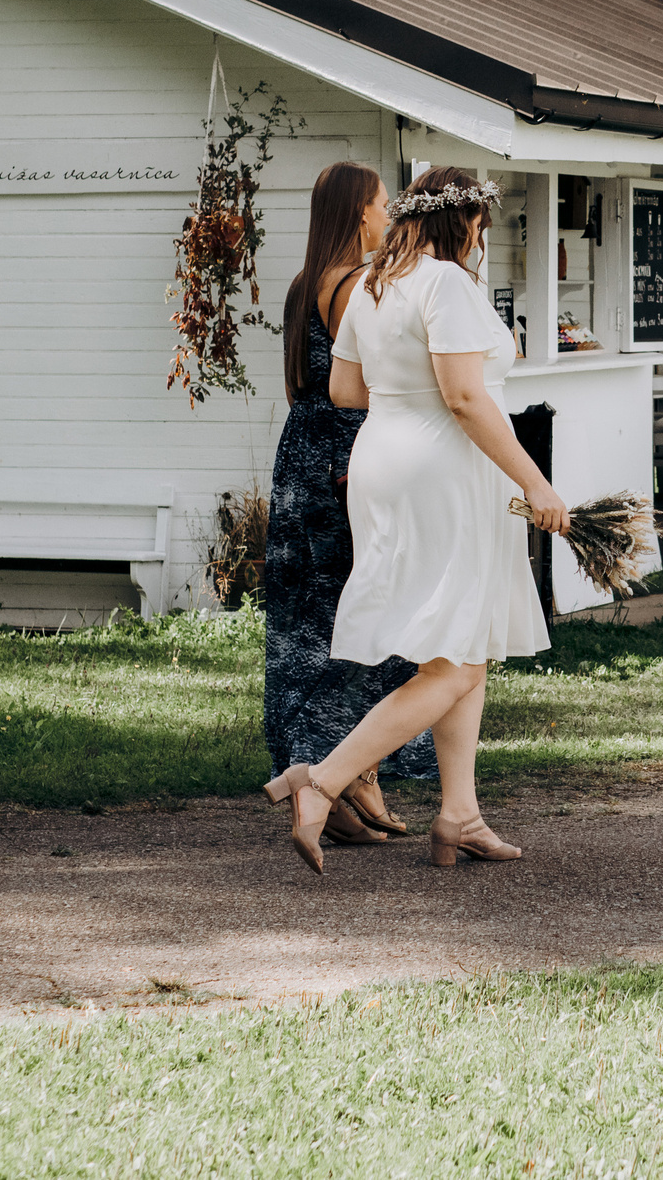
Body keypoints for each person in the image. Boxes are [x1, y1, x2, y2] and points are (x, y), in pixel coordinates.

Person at [264, 166, 569, 872]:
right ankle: (322, 782)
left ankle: (459, 812)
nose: (482, 240)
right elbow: (465, 397)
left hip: (383, 463)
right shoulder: (446, 283)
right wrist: (536, 481)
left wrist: (406, 405)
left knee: (464, 639)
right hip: (445, 472)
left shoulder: (375, 280)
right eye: (481, 226)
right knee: (458, 658)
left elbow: (345, 388)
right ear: (462, 222)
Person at [259, 160, 436, 849]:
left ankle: (322, 772)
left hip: (300, 459)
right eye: (382, 201)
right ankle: (353, 772)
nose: (389, 211)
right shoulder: (358, 285)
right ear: (359, 212)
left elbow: (301, 384)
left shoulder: (306, 284)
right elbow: (366, 383)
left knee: (310, 624)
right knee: (369, 613)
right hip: (345, 464)